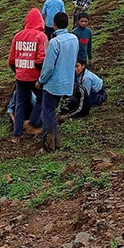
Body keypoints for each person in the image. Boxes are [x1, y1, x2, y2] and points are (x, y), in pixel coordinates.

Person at [37, 12, 78, 152]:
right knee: (54, 111)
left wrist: (40, 81)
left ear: (54, 25)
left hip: (53, 84)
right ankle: (57, 141)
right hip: (67, 83)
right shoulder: (74, 38)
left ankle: (48, 145)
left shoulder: (54, 42)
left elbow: (48, 67)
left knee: (47, 113)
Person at [8, 8, 49, 141]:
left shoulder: (17, 36)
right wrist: (42, 77)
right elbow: (40, 60)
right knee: (42, 99)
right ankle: (33, 123)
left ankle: (17, 134)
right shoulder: (41, 36)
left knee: (20, 103)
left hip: (20, 76)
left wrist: (18, 71)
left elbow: (11, 60)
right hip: (34, 77)